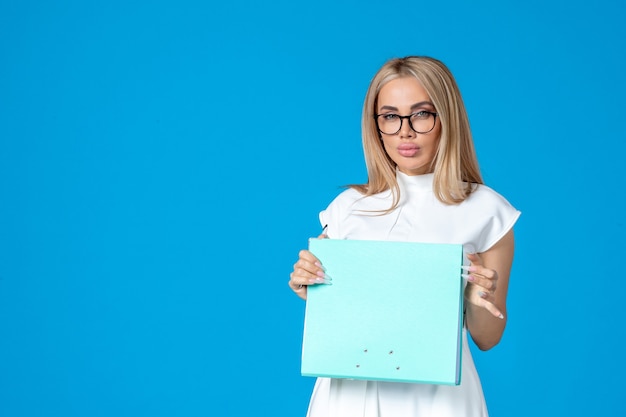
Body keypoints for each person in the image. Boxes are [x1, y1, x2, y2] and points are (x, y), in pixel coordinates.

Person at [288, 56, 521, 417]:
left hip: (438, 400)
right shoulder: (348, 207)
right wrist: (308, 285)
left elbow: (487, 338)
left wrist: (475, 298)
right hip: (347, 397)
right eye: (390, 116)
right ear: (376, 125)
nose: (405, 131)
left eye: (422, 114)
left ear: (447, 119)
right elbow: (335, 304)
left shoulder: (486, 210)